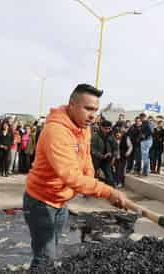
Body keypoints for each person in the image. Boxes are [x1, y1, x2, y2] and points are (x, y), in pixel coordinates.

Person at [23, 83, 126, 269]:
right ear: (72, 104)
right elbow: (70, 175)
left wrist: (94, 185)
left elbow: (86, 160)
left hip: (60, 202)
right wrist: (107, 191)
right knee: (44, 257)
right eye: (88, 108)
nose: (93, 115)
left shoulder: (83, 128)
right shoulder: (56, 131)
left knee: (51, 250)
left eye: (95, 109)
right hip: (41, 202)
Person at [91, 120, 116, 187]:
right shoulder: (95, 136)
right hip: (96, 160)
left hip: (107, 160)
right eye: (106, 128)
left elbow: (115, 147)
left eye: (109, 128)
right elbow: (93, 149)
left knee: (109, 176)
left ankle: (111, 190)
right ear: (101, 127)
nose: (107, 130)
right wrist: (102, 156)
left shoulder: (111, 136)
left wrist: (113, 156)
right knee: (93, 175)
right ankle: (90, 191)